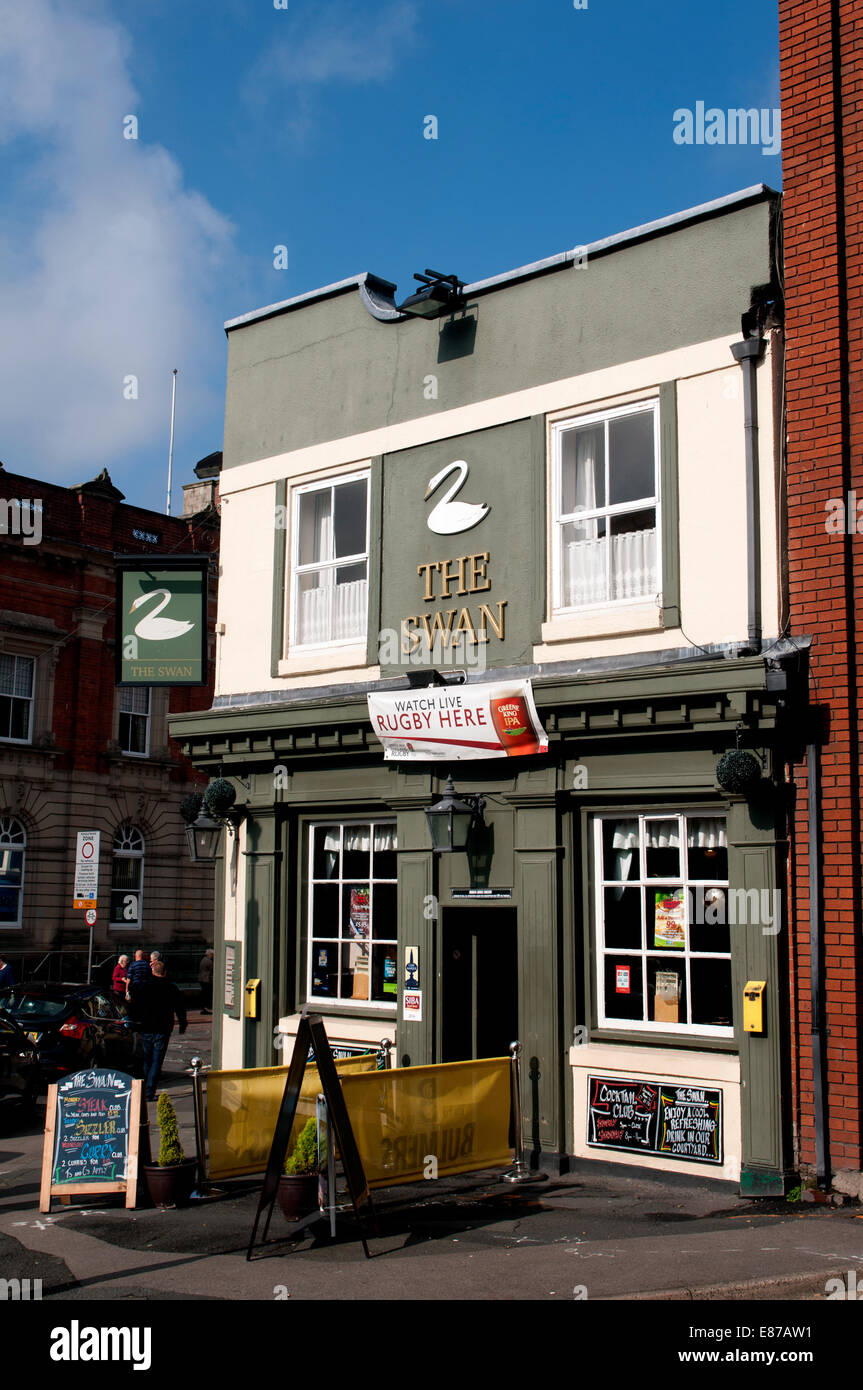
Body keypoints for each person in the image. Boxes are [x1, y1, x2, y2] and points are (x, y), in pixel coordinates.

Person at [135, 961, 187, 1101]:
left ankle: (145, 1087)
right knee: (157, 1061)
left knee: (147, 1059)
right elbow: (180, 1008)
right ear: (164, 972)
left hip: (147, 1026)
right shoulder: (171, 988)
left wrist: (136, 1022)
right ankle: (149, 1090)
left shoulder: (145, 987)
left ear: (153, 972)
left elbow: (136, 1005)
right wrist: (183, 1023)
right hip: (163, 1028)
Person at [198, 948, 214, 1014]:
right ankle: (206, 1008)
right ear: (210, 954)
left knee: (205, 993)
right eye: (212, 955)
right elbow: (213, 968)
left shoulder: (203, 959)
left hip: (202, 979)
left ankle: (204, 1007)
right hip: (206, 979)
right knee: (207, 994)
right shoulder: (209, 961)